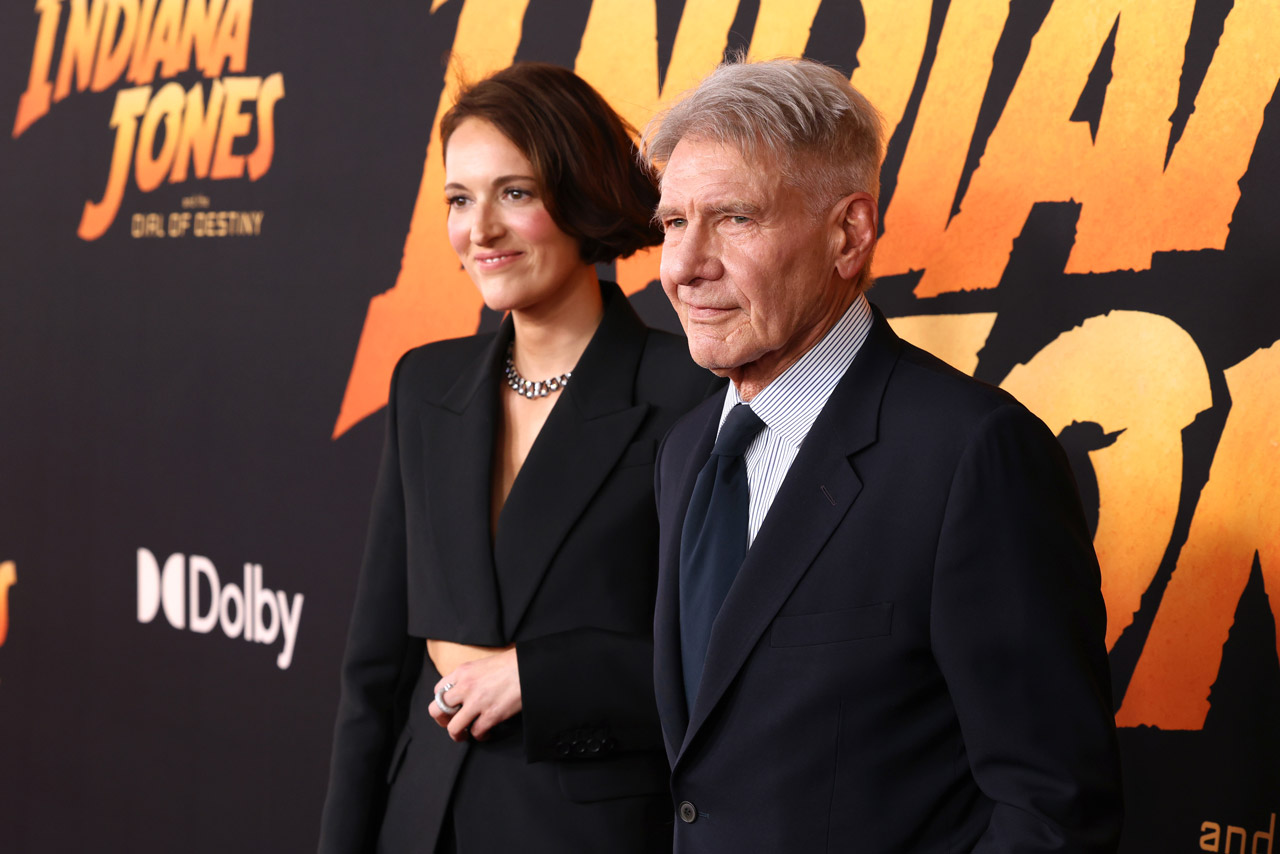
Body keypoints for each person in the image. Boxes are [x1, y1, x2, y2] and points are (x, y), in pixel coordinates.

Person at [642, 58, 1124, 852]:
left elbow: (1051, 808)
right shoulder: (686, 451)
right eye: (671, 223)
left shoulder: (972, 457)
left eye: (733, 219)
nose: (683, 267)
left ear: (849, 233)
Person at [318, 62, 715, 854]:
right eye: (459, 200)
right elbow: (376, 672)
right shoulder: (425, 385)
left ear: (582, 195)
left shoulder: (694, 394)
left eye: (516, 193)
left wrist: (538, 676)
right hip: (419, 826)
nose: (480, 231)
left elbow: (728, 670)